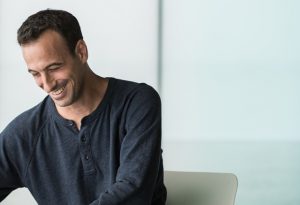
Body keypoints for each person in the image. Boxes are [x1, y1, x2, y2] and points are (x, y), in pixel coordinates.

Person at [0, 9, 167, 205]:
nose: (47, 84)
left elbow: (134, 191)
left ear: (81, 51)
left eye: (54, 68)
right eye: (35, 73)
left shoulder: (136, 103)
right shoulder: (23, 135)